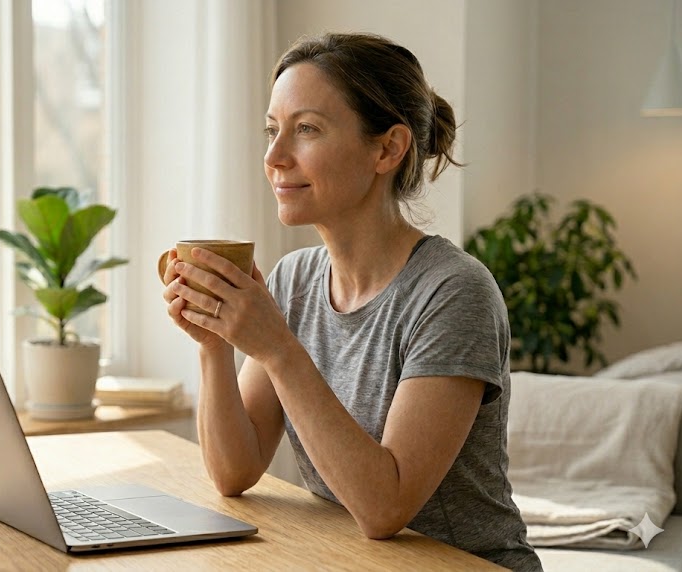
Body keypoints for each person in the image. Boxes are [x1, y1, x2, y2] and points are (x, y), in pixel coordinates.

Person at [160, 33, 541, 571]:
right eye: (273, 131)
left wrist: (277, 348)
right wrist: (214, 344)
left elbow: (386, 507)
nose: (274, 156)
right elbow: (234, 472)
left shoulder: (454, 293)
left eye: (307, 129)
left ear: (387, 148)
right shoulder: (294, 281)